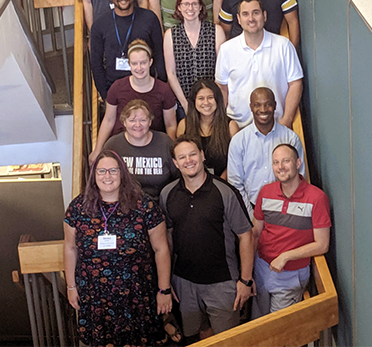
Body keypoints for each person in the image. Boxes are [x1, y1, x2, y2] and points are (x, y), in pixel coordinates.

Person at [64, 149, 172, 347]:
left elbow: (161, 249)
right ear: (93, 176)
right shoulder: (78, 208)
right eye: (101, 171)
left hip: (136, 294)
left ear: (122, 173)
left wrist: (163, 290)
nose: (107, 176)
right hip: (95, 294)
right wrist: (71, 287)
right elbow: (70, 248)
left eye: (113, 170)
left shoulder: (144, 206)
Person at [159, 136, 254, 343]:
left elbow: (245, 235)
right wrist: (167, 281)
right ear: (175, 163)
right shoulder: (167, 194)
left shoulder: (225, 192)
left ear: (202, 156)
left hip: (222, 283)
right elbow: (167, 239)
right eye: (182, 157)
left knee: (227, 341)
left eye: (193, 154)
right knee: (194, 338)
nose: (188, 160)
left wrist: (245, 280)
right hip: (184, 282)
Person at [252, 144, 331, 318]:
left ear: (298, 163)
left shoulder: (317, 198)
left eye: (286, 161)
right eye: (276, 162)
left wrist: (286, 256)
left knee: (277, 328)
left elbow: (322, 244)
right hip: (261, 267)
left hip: (291, 274)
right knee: (258, 321)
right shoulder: (265, 192)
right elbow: (256, 233)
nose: (280, 167)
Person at [215, 0, 303, 129]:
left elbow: (296, 83)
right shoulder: (226, 49)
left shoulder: (283, 45)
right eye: (245, 14)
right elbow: (222, 88)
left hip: (276, 126)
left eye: (256, 13)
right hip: (238, 129)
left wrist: (286, 120)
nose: (251, 19)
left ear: (264, 16)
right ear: (238, 19)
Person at [90, 40, 176, 164]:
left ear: (150, 62)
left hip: (152, 146)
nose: (139, 68)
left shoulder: (164, 90)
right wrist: (97, 149)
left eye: (143, 63)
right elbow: (108, 120)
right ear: (129, 64)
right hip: (121, 145)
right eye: (134, 64)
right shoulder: (117, 87)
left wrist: (172, 152)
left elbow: (170, 125)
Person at [228, 87, 305, 218]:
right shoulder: (239, 141)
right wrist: (252, 216)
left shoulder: (290, 138)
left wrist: (288, 211)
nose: (263, 110)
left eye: (268, 104)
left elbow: (299, 178)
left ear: (275, 105)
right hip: (250, 209)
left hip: (285, 211)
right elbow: (235, 183)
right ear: (251, 107)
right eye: (257, 105)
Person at [91, 0, 165, 100]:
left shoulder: (150, 19)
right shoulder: (99, 24)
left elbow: (159, 56)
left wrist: (160, 89)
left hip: (147, 89)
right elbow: (96, 63)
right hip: (115, 91)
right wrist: (106, 96)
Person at [163, 0, 226, 116]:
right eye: (185, 4)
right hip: (184, 101)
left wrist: (217, 102)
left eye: (194, 4)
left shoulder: (216, 31)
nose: (190, 8)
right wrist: (186, 105)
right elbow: (171, 73)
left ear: (201, 7)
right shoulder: (170, 35)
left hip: (211, 102)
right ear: (179, 7)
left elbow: (223, 70)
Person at [103, 100, 178, 202]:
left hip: (160, 204)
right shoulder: (113, 145)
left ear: (150, 122)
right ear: (124, 122)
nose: (137, 125)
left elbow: (178, 177)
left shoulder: (165, 142)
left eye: (143, 120)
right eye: (132, 120)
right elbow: (103, 179)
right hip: (123, 205)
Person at [177, 79, 239, 179]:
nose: (206, 102)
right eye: (201, 98)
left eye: (210, 98)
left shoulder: (230, 126)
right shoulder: (184, 125)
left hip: (223, 183)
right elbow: (180, 158)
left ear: (217, 100)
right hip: (192, 182)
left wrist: (220, 183)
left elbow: (236, 160)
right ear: (194, 101)